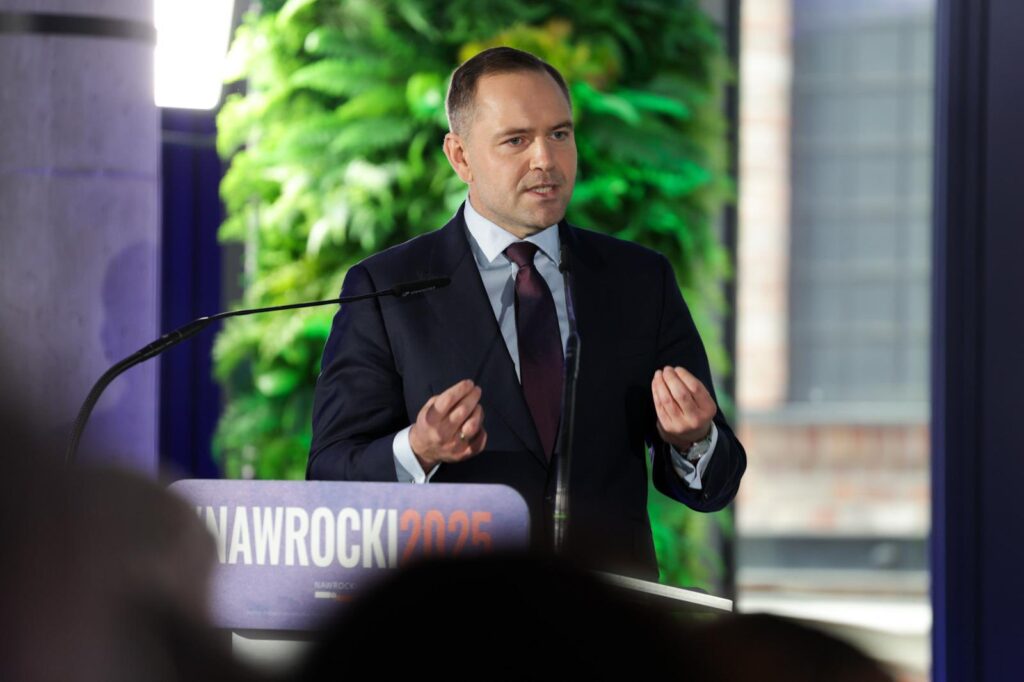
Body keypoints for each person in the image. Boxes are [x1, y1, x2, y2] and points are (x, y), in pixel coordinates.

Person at [308, 46, 746, 579]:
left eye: (559, 134)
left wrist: (692, 440)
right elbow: (328, 477)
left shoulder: (638, 280)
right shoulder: (385, 288)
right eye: (516, 140)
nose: (545, 160)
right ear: (460, 156)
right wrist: (418, 449)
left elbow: (716, 483)